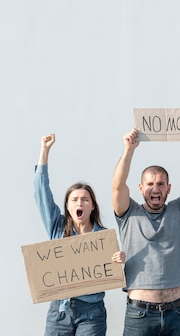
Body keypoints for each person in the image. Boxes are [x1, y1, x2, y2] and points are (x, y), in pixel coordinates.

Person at [112, 127, 180, 336]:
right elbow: (118, 185)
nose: (155, 189)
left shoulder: (178, 211)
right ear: (140, 188)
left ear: (168, 188)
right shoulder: (128, 213)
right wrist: (128, 150)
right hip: (140, 315)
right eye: (150, 184)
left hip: (176, 312)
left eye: (160, 184)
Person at [35, 133, 125, 336]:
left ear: (92, 206)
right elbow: (41, 192)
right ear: (67, 206)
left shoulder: (103, 238)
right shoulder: (57, 228)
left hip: (92, 313)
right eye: (74, 199)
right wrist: (44, 151)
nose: (79, 203)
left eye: (85, 199)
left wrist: (118, 260)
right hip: (60, 311)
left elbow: (111, 272)